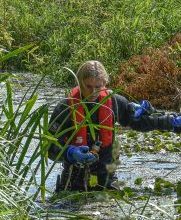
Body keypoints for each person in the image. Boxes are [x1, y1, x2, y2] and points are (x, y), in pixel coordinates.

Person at [46, 60, 161, 192]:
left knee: (110, 205)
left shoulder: (115, 102)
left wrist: (164, 117)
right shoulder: (65, 108)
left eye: (98, 87)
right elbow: (50, 147)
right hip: (74, 178)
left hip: (106, 176)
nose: (93, 92)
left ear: (104, 84)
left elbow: (143, 122)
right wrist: (70, 152)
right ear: (78, 83)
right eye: (88, 87)